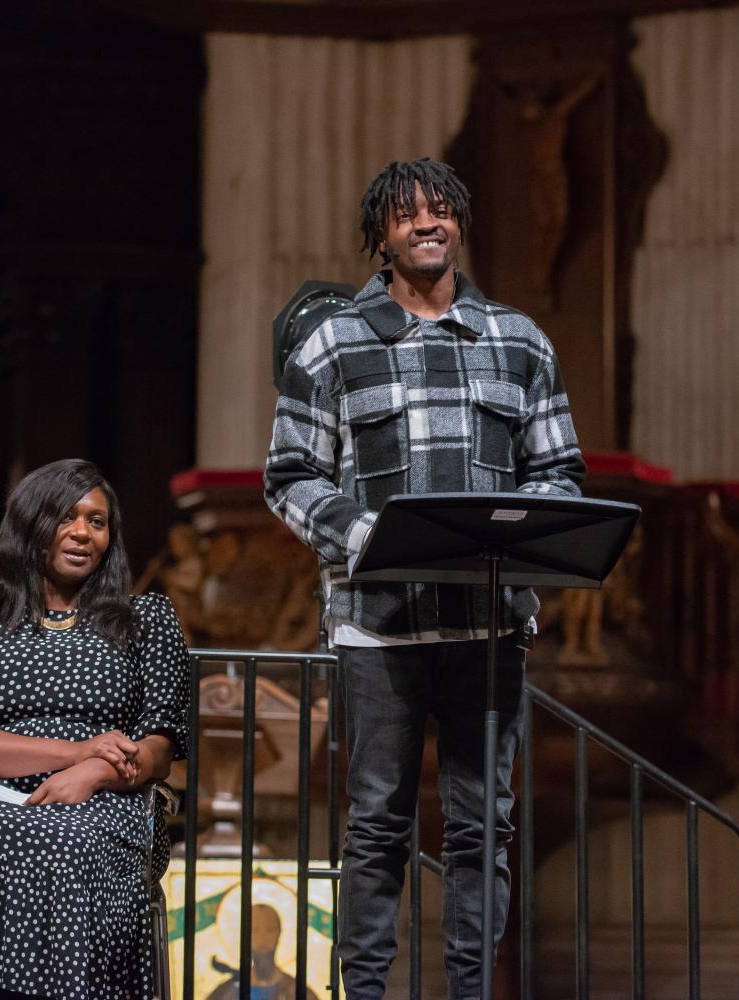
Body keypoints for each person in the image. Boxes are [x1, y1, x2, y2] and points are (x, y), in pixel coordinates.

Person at [264, 158, 585, 999]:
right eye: (408, 215)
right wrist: (369, 534)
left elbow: (558, 471)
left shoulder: (520, 341)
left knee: (486, 829)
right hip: (381, 627)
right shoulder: (332, 342)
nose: (428, 224)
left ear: (461, 224)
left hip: (488, 628)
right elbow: (290, 474)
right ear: (382, 236)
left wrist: (527, 524)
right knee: (377, 827)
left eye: (442, 210)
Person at [0, 458, 189, 999]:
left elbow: (159, 746)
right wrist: (75, 752)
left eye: (97, 521)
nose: (82, 533)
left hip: (100, 797)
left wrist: (95, 774)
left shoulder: (145, 618)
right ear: (30, 525)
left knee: (69, 840)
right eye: (65, 517)